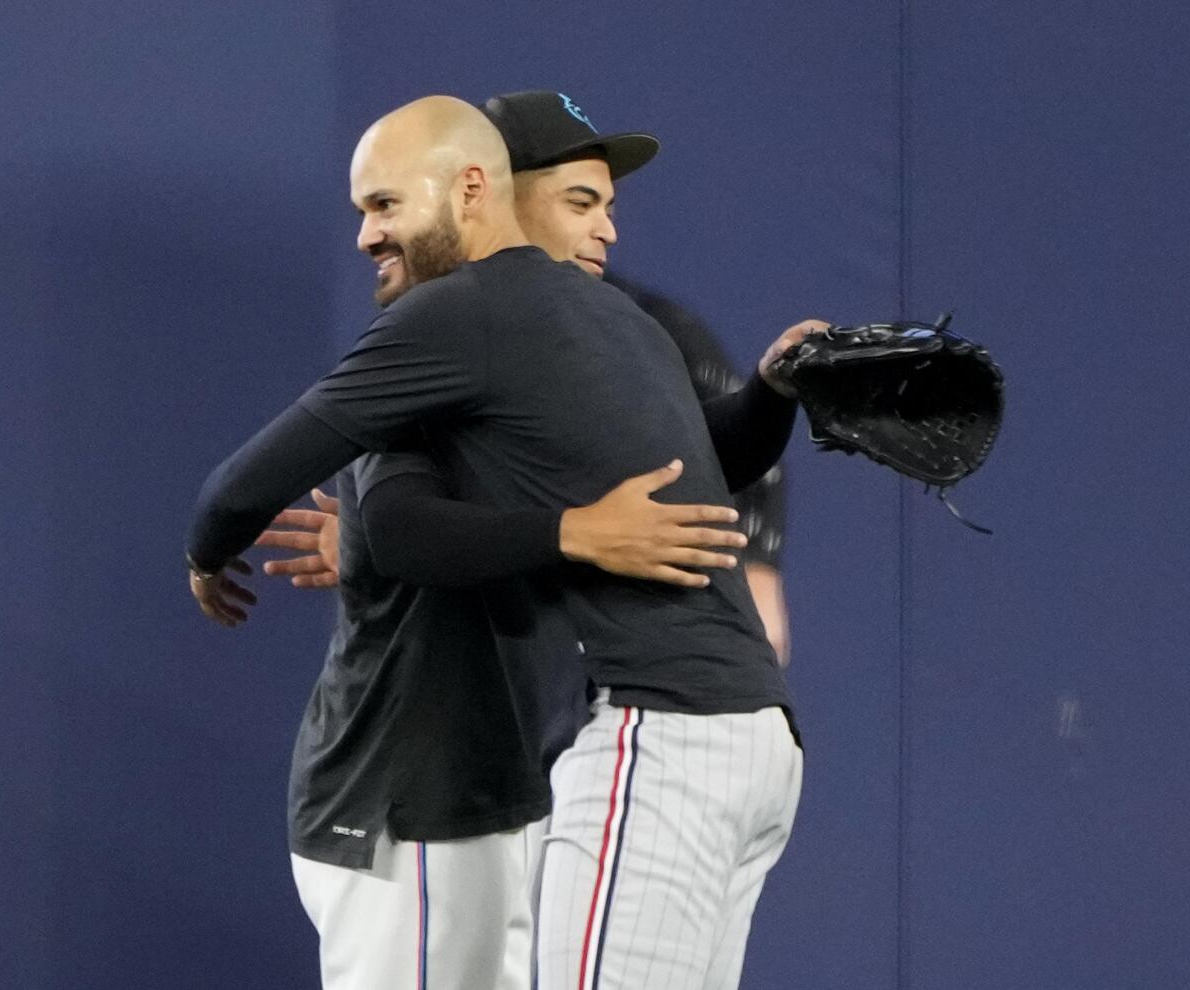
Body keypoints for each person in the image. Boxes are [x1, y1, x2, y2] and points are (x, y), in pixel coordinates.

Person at [188, 95, 817, 988]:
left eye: (384, 207)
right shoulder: (490, 324)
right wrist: (567, 530)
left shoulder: (591, 328)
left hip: (587, 758)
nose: (606, 227)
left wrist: (768, 396)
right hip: (449, 788)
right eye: (579, 201)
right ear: (493, 195)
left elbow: (696, 462)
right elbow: (394, 522)